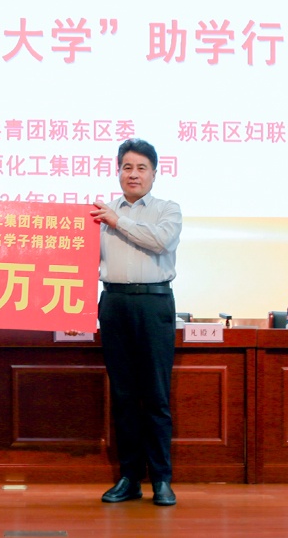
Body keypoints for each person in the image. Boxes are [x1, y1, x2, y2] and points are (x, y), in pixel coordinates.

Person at [90, 138, 181, 507]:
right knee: (124, 395)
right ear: (118, 171)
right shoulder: (99, 213)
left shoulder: (167, 210)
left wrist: (117, 221)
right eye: (127, 167)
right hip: (113, 303)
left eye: (142, 168)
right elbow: (80, 262)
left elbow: (160, 241)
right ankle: (129, 477)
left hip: (154, 303)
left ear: (154, 174)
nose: (134, 174)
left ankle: (161, 479)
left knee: (156, 396)